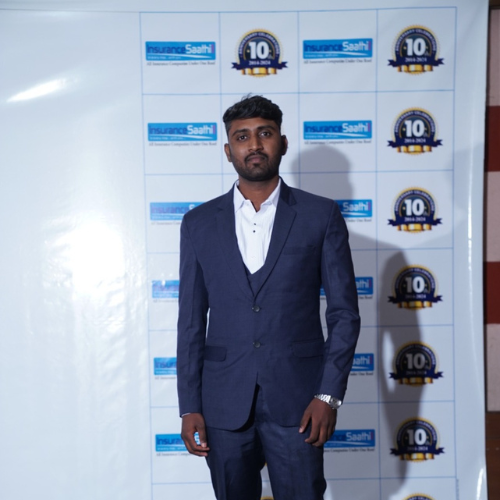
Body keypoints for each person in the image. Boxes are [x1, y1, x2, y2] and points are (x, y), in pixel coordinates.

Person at [177, 95, 360, 500]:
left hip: (300, 402)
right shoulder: (198, 224)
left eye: (265, 133)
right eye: (242, 137)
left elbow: (345, 314)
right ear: (228, 150)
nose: (254, 144)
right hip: (223, 403)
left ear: (283, 142)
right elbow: (190, 322)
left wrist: (328, 395)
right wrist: (189, 405)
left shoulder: (320, 215)